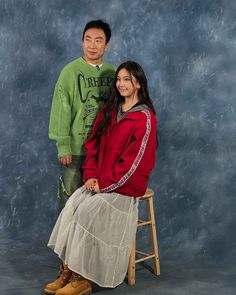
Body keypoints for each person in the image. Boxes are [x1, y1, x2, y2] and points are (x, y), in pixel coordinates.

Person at [45, 61, 158, 295]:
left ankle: (82, 278)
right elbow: (93, 144)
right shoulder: (110, 110)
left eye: (127, 79)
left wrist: (104, 185)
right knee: (73, 205)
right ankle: (68, 270)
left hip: (124, 187)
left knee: (87, 213)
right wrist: (91, 175)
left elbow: (134, 164)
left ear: (138, 83)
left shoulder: (144, 118)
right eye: (119, 79)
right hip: (99, 181)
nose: (121, 84)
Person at [48, 19, 115, 213]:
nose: (92, 45)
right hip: (76, 149)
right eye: (88, 39)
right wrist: (63, 145)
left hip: (103, 150)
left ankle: (90, 243)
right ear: (82, 42)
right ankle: (67, 244)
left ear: (107, 45)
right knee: (70, 199)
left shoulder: (113, 72)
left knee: (97, 203)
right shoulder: (70, 71)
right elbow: (61, 109)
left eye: (98, 40)